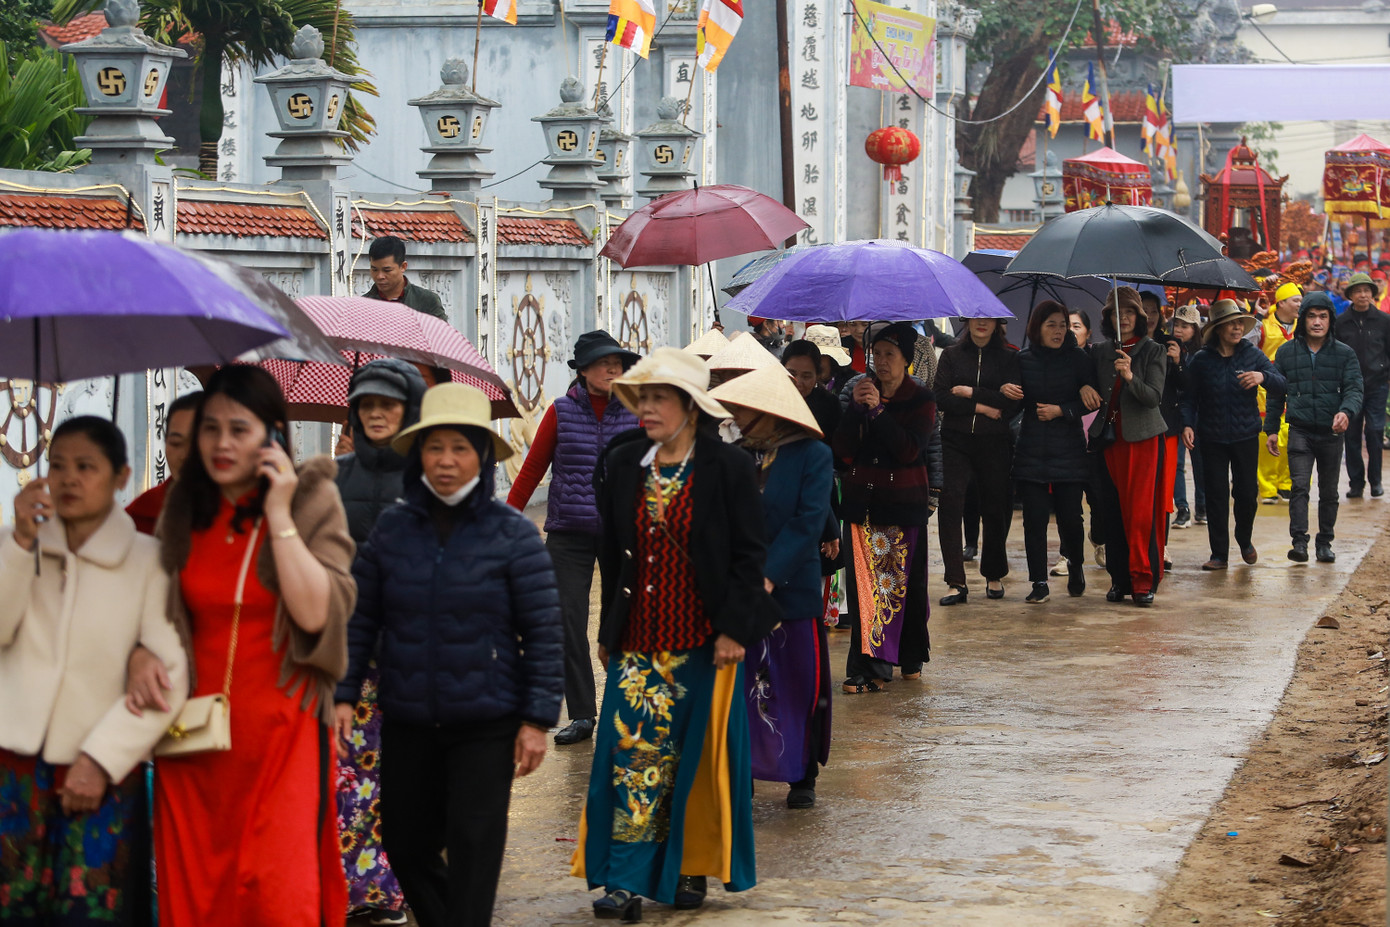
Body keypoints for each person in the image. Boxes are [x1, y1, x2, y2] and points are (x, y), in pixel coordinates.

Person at [133, 365, 357, 927]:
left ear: (273, 435)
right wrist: (138, 651)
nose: (221, 444)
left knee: (278, 898)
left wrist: (278, 513)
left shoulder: (311, 498)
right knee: (201, 898)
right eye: (210, 429)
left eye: (239, 428)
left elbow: (317, 613)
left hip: (282, 734)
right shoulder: (182, 510)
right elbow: (151, 610)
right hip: (193, 738)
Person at [336, 383, 562, 927]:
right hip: (409, 715)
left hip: (486, 722)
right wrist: (343, 694)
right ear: (418, 455)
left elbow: (544, 630)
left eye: (460, 448)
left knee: (474, 848)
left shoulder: (513, 535)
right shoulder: (394, 528)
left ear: (482, 456)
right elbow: (361, 617)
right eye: (434, 448)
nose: (446, 461)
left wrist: (535, 719)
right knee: (406, 843)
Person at [574, 347, 778, 921]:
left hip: (704, 644)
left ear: (690, 407)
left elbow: (747, 557)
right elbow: (612, 555)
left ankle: (688, 864)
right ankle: (621, 876)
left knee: (693, 762)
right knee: (630, 758)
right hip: (638, 643)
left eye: (660, 397)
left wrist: (735, 630)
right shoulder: (623, 463)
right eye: (643, 397)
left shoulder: (729, 469)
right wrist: (609, 625)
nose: (647, 407)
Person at [1, 417, 188, 925]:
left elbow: (169, 679)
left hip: (99, 778)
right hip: (13, 771)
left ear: (122, 475)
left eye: (87, 467)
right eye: (58, 466)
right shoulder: (19, 545)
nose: (69, 479)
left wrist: (101, 759)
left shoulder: (149, 561)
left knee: (89, 912)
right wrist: (19, 544)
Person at [506, 330, 640, 746]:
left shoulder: (637, 412)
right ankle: (582, 713)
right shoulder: (561, 411)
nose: (613, 369)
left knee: (625, 621)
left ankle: (629, 708)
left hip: (623, 536)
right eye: (604, 364)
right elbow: (530, 471)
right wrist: (505, 522)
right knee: (566, 621)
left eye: (618, 363)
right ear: (583, 372)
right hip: (568, 532)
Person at [709, 364, 833, 809]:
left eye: (744, 410)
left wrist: (769, 573)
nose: (737, 418)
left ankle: (803, 773)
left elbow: (808, 521)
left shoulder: (814, 455)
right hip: (742, 591)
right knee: (743, 685)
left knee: (799, 683)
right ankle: (743, 767)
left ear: (769, 411)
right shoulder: (738, 455)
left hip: (792, 592)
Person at [332, 359, 427, 925]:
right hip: (352, 657)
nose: (374, 413)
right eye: (365, 404)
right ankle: (361, 887)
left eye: (386, 405)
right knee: (352, 778)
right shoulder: (332, 479)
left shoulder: (428, 479)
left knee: (406, 780)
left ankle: (400, 881)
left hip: (415, 660)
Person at [834, 322, 937, 689]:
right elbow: (842, 452)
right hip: (862, 505)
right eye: (876, 354)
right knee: (866, 588)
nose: (881, 362)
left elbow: (909, 449)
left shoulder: (921, 399)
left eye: (890, 354)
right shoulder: (860, 392)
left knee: (898, 586)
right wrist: (857, 411)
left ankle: (904, 657)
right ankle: (870, 668)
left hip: (902, 504)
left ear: (907, 359)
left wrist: (878, 414)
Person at [1001, 302, 1101, 603]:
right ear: (1037, 328)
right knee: (1034, 520)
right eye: (1051, 325)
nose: (1059, 331)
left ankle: (1076, 565)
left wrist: (1062, 410)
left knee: (1071, 517)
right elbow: (1015, 405)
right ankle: (1039, 581)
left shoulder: (1079, 359)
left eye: (1063, 325)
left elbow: (1092, 400)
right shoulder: (1023, 359)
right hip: (1031, 448)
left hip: (1068, 449)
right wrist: (1006, 391)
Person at [1181, 300, 1285, 571]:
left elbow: (1281, 383)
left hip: (1246, 435)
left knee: (1247, 493)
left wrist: (1262, 377)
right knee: (1216, 495)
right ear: (1217, 328)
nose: (1237, 327)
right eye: (1231, 323)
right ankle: (1219, 554)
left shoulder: (1252, 354)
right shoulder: (1201, 360)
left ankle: (1244, 538)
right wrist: (1187, 424)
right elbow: (1189, 398)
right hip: (1211, 437)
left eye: (1240, 323)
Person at [1265, 292, 1364, 564]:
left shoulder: (1344, 354)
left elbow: (1355, 388)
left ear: (1330, 319)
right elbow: (1276, 394)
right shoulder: (1286, 353)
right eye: (1311, 316)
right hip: (1300, 430)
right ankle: (1299, 542)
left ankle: (1324, 543)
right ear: (1303, 319)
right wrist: (1271, 429)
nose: (1317, 322)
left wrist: (1346, 411)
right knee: (1299, 487)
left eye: (1323, 316)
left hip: (1332, 433)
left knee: (1329, 491)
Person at [1089, 288, 1169, 606]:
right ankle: (1119, 579)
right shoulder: (1100, 350)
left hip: (1143, 441)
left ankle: (1143, 579)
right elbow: (1090, 382)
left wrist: (1130, 376)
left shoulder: (1153, 351)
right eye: (1115, 313)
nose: (1122, 318)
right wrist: (1084, 385)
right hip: (1109, 442)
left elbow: (1152, 397)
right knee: (1112, 513)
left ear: (1140, 317)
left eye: (1129, 313)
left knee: (1140, 514)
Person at [934, 316, 1021, 604]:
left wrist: (971, 392)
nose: (981, 323)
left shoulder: (1010, 357)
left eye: (988, 319)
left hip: (994, 441)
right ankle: (955, 581)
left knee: (996, 506)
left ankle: (994, 574)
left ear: (997, 323)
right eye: (975, 318)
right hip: (955, 440)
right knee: (950, 504)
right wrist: (984, 405)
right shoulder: (951, 354)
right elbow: (942, 398)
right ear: (967, 321)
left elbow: (1012, 402)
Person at [1334, 271, 1390, 497]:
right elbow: (1335, 353)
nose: (1363, 295)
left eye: (1367, 290)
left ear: (1373, 294)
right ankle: (1356, 483)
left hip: (1377, 384)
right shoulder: (1341, 322)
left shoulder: (1384, 321)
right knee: (1352, 434)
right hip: (1350, 387)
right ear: (1350, 294)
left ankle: (1376, 481)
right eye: (1358, 291)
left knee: (1375, 431)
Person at [127, 390, 202, 534]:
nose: (185, 455)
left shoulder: (251, 511)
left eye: (195, 443)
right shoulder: (139, 515)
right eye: (176, 443)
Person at [1255, 283, 1302, 504]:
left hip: (1296, 392)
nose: (1299, 305)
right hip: (1268, 394)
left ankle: (1286, 483)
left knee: (1292, 439)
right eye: (1295, 300)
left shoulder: (1303, 327)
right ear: (1281, 302)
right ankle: (1267, 487)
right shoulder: (1265, 326)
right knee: (1267, 440)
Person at [1168, 305, 1206, 530]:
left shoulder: (1201, 355)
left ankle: (1202, 504)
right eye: (1177, 325)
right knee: (1177, 464)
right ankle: (1182, 508)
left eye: (1185, 326)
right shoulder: (1167, 349)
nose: (1179, 330)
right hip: (1174, 413)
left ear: (1195, 329)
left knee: (1200, 462)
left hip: (1198, 414)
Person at [363, 235, 447, 322]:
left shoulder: (427, 301)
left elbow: (442, 333)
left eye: (387, 270)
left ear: (403, 266)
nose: (380, 276)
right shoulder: (363, 306)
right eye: (374, 270)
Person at [782, 339, 841, 440]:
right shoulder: (767, 398)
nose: (798, 383)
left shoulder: (830, 405)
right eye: (791, 374)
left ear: (817, 376)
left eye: (806, 376)